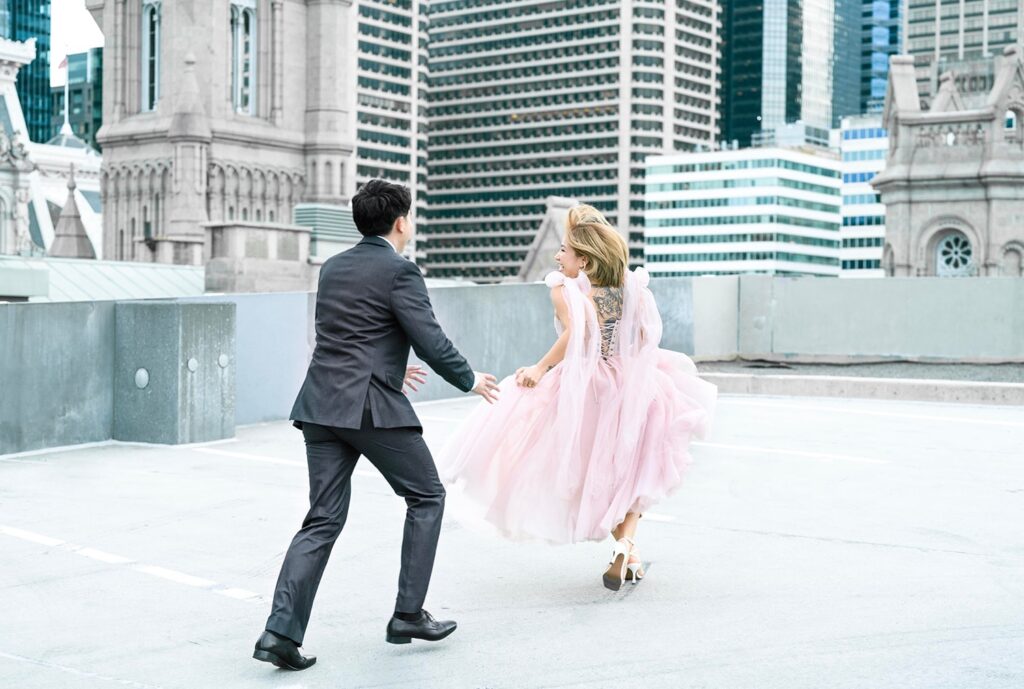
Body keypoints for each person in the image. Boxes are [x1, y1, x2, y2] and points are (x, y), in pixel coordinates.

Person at [253, 179, 500, 671]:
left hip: (322, 404)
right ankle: (407, 614)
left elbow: (347, 333)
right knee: (427, 496)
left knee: (321, 519)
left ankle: (279, 633)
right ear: (401, 221)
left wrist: (389, 367)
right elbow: (429, 339)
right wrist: (470, 380)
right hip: (368, 408)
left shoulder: (333, 267)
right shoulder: (401, 271)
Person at [441, 204, 716, 591]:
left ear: (583, 261)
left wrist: (539, 368)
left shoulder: (565, 291)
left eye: (564, 251)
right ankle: (628, 550)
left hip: (589, 385)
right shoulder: (632, 288)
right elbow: (641, 339)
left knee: (596, 470)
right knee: (634, 470)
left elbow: (574, 335)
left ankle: (625, 550)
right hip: (635, 383)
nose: (557, 256)